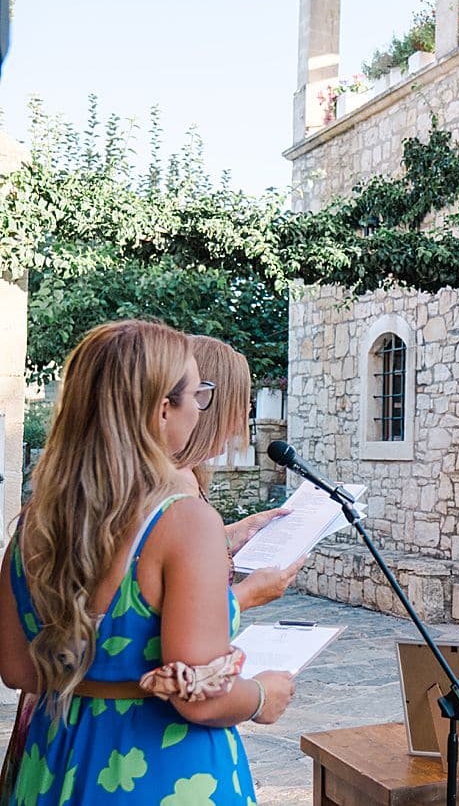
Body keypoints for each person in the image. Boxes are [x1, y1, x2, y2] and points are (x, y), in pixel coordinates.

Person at [0, 320, 295, 804]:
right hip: (162, 771)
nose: (201, 411)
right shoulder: (182, 522)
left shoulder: (35, 522)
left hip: (54, 763)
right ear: (163, 410)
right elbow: (199, 698)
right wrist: (263, 695)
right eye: (197, 395)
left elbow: (15, 668)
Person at [174, 336, 301, 611]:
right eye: (240, 402)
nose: (244, 415)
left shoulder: (185, 474)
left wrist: (239, 532)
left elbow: (184, 555)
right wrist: (249, 593)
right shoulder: (175, 485)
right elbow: (187, 614)